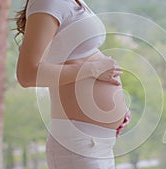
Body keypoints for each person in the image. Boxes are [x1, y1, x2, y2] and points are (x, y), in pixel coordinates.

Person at [13, 0, 131, 168]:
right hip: (79, 147)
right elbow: (27, 75)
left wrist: (116, 113)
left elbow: (79, 53)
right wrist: (92, 69)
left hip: (97, 143)